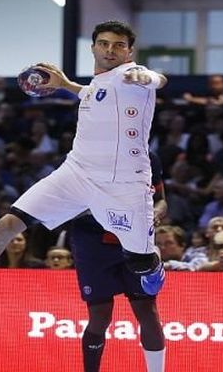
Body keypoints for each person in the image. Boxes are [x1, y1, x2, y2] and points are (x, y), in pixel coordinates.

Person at [0, 20, 168, 315]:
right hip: (77, 173)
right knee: (8, 224)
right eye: (104, 44)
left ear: (130, 52)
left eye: (119, 45)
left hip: (123, 185)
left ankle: (152, 265)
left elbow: (157, 78)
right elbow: (93, 94)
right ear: (93, 47)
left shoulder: (131, 77)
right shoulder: (99, 84)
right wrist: (65, 85)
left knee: (145, 275)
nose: (110, 50)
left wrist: (145, 76)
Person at [69, 150, 167, 372]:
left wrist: (154, 215)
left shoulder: (148, 157)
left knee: (147, 309)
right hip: (94, 243)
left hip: (135, 238)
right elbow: (70, 207)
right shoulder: (85, 157)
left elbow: (161, 201)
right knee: (100, 315)